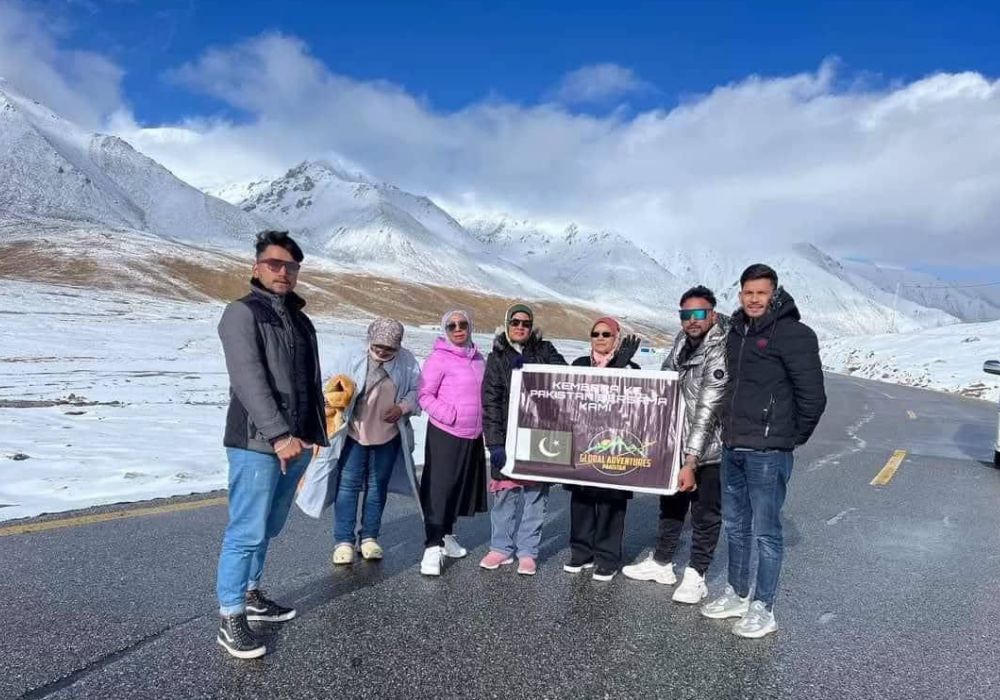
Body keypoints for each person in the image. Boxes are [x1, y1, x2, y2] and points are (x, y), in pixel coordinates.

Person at [215, 230, 327, 660]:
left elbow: (308, 382)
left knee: (268, 526)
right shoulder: (242, 313)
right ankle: (230, 616)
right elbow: (249, 380)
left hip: (296, 441)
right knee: (246, 529)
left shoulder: (299, 320)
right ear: (257, 267)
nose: (283, 272)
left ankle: (251, 593)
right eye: (274, 264)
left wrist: (312, 434)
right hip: (258, 441)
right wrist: (278, 435)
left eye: (291, 266)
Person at [701, 264, 826, 638]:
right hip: (733, 446)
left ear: (774, 294)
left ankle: (763, 608)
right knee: (735, 526)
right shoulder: (737, 332)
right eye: (748, 292)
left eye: (761, 292)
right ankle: (738, 594)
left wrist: (787, 437)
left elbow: (813, 397)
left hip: (769, 452)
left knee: (766, 532)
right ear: (740, 294)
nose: (754, 299)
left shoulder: (794, 334)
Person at [622, 286, 726, 604]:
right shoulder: (682, 341)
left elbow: (707, 410)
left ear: (712, 314)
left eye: (699, 313)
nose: (692, 320)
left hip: (708, 447)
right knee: (671, 503)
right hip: (675, 441)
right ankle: (662, 562)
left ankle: (696, 575)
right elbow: (665, 383)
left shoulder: (720, 350)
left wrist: (691, 461)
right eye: (686, 314)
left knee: (705, 513)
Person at [296, 318, 422, 566]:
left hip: (387, 435)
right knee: (348, 486)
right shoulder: (351, 355)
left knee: (377, 487)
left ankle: (369, 537)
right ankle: (343, 540)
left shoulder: (407, 362)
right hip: (353, 433)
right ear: (369, 340)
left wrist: (402, 407)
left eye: (389, 348)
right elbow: (327, 383)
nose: (382, 352)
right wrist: (336, 395)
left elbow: (417, 391)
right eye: (378, 346)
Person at [480, 303, 567, 575]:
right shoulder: (497, 357)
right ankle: (500, 547)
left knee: (535, 495)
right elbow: (491, 402)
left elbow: (564, 375)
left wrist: (531, 367)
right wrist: (494, 443)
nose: (520, 327)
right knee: (505, 493)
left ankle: (528, 551)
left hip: (540, 432)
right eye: (515, 322)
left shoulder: (545, 350)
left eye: (526, 323)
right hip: (508, 435)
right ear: (507, 324)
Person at [565, 317, 641, 581]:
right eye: (595, 333)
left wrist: (621, 367)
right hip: (583, 444)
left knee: (611, 501)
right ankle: (581, 552)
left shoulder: (632, 368)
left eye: (606, 334)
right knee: (582, 500)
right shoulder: (579, 364)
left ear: (616, 338)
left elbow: (633, 407)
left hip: (615, 445)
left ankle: (607, 557)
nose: (600, 338)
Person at [417, 310, 489, 576]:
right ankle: (432, 546)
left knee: (459, 487)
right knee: (440, 488)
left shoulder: (479, 358)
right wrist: (450, 415)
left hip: (473, 433)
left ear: (470, 326)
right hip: (446, 432)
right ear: (444, 329)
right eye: (452, 325)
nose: (458, 329)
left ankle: (446, 535)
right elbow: (424, 394)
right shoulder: (438, 358)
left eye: (463, 324)